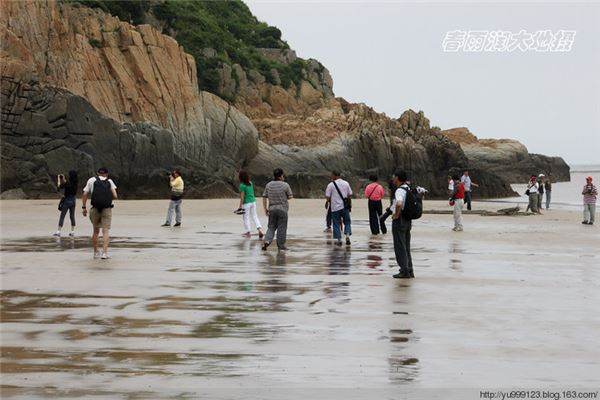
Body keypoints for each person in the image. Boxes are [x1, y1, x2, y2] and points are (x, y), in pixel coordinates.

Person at [81, 167, 118, 259]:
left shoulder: (91, 180)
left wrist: (84, 207)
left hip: (95, 208)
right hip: (106, 208)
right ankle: (104, 253)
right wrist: (108, 199)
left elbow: (85, 194)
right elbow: (115, 196)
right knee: (105, 231)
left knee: (95, 231)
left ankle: (95, 252)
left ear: (97, 173)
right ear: (106, 174)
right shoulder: (109, 181)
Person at [262, 168, 293, 251]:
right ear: (281, 176)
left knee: (271, 227)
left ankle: (267, 241)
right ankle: (281, 245)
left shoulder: (268, 185)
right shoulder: (285, 185)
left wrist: (265, 209)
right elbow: (290, 196)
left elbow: (264, 196)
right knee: (282, 227)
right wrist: (284, 197)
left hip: (272, 209)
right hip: (282, 209)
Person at [391, 170, 414, 279]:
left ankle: (404, 271)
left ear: (397, 178)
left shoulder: (399, 190)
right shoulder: (408, 188)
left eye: (394, 176)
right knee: (406, 246)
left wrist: (396, 214)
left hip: (400, 220)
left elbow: (399, 203)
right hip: (408, 220)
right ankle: (409, 269)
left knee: (400, 246)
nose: (392, 177)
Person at [325, 171, 353, 246]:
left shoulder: (331, 185)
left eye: (332, 175)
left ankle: (339, 240)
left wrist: (327, 202)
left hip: (335, 208)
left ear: (334, 176)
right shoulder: (346, 183)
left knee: (336, 223)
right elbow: (350, 194)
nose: (331, 177)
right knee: (347, 222)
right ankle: (347, 236)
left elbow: (327, 196)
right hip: (345, 207)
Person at [237, 170, 264, 238]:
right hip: (253, 201)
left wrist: (240, 206)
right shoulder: (250, 183)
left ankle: (248, 232)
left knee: (246, 217)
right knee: (255, 216)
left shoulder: (242, 185)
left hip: (247, 203)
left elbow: (242, 197)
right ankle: (259, 229)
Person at [53, 170, 78, 237]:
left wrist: (59, 179)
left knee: (62, 216)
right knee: (72, 216)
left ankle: (58, 231)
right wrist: (63, 179)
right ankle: (72, 231)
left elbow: (59, 187)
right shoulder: (75, 182)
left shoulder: (67, 183)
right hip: (73, 200)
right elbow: (67, 184)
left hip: (67, 200)